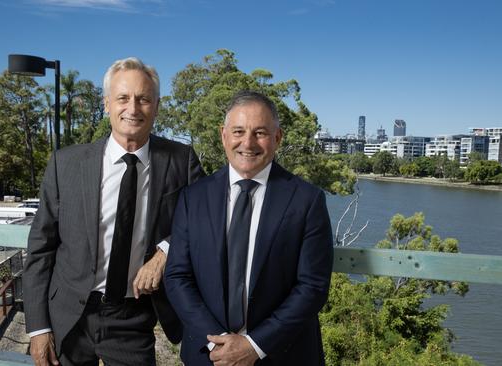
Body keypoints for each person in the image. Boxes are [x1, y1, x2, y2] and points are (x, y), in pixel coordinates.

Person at [23, 57, 203, 366]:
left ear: (156, 106)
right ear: (107, 104)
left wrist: (164, 253)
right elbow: (41, 248)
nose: (132, 108)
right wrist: (38, 328)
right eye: (123, 98)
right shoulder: (65, 164)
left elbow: (203, 221)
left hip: (133, 316)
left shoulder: (181, 160)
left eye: (143, 99)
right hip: (69, 314)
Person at [165, 91, 333, 365]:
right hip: (209, 355)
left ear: (277, 138)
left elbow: (312, 286)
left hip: (283, 355)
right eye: (239, 131)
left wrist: (253, 346)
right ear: (223, 135)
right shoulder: (192, 198)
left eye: (260, 133)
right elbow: (177, 277)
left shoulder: (307, 200)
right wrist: (219, 342)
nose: (248, 142)